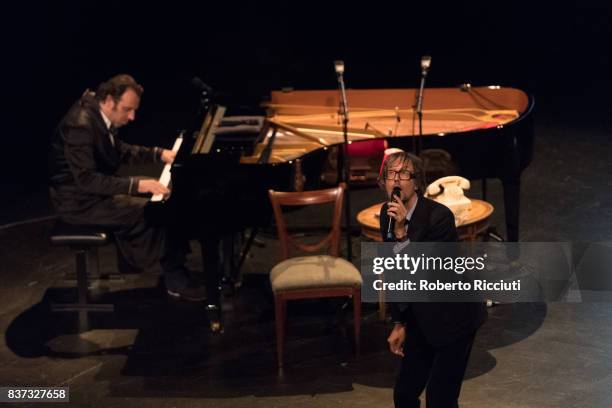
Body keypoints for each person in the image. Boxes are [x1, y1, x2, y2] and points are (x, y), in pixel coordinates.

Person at [48, 74, 206, 301]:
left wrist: (158, 154)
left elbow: (117, 149)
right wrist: (137, 185)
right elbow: (86, 179)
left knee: (161, 195)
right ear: (110, 101)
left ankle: (175, 267)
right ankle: (174, 278)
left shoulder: (98, 114)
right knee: (152, 209)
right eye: (127, 109)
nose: (132, 117)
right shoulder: (80, 125)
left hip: (89, 194)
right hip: (77, 203)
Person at [378, 151, 487, 408]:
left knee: (440, 399)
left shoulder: (439, 218)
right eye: (390, 174)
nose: (396, 180)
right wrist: (399, 322)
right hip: (420, 317)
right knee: (404, 395)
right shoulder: (387, 214)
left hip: (455, 317)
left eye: (404, 174)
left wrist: (403, 233)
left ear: (416, 182)